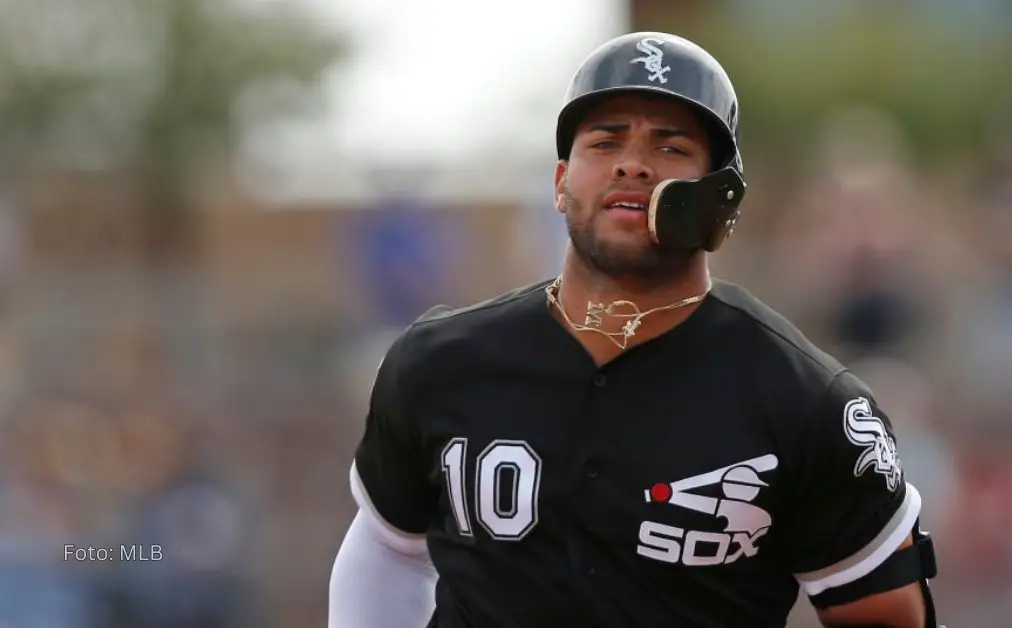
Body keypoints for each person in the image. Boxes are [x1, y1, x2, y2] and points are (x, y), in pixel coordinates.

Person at [328, 31, 940, 628]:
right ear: (561, 182)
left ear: (721, 194)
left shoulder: (807, 401)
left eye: (670, 147)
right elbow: (389, 549)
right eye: (605, 141)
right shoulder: (439, 363)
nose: (631, 163)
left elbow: (883, 614)